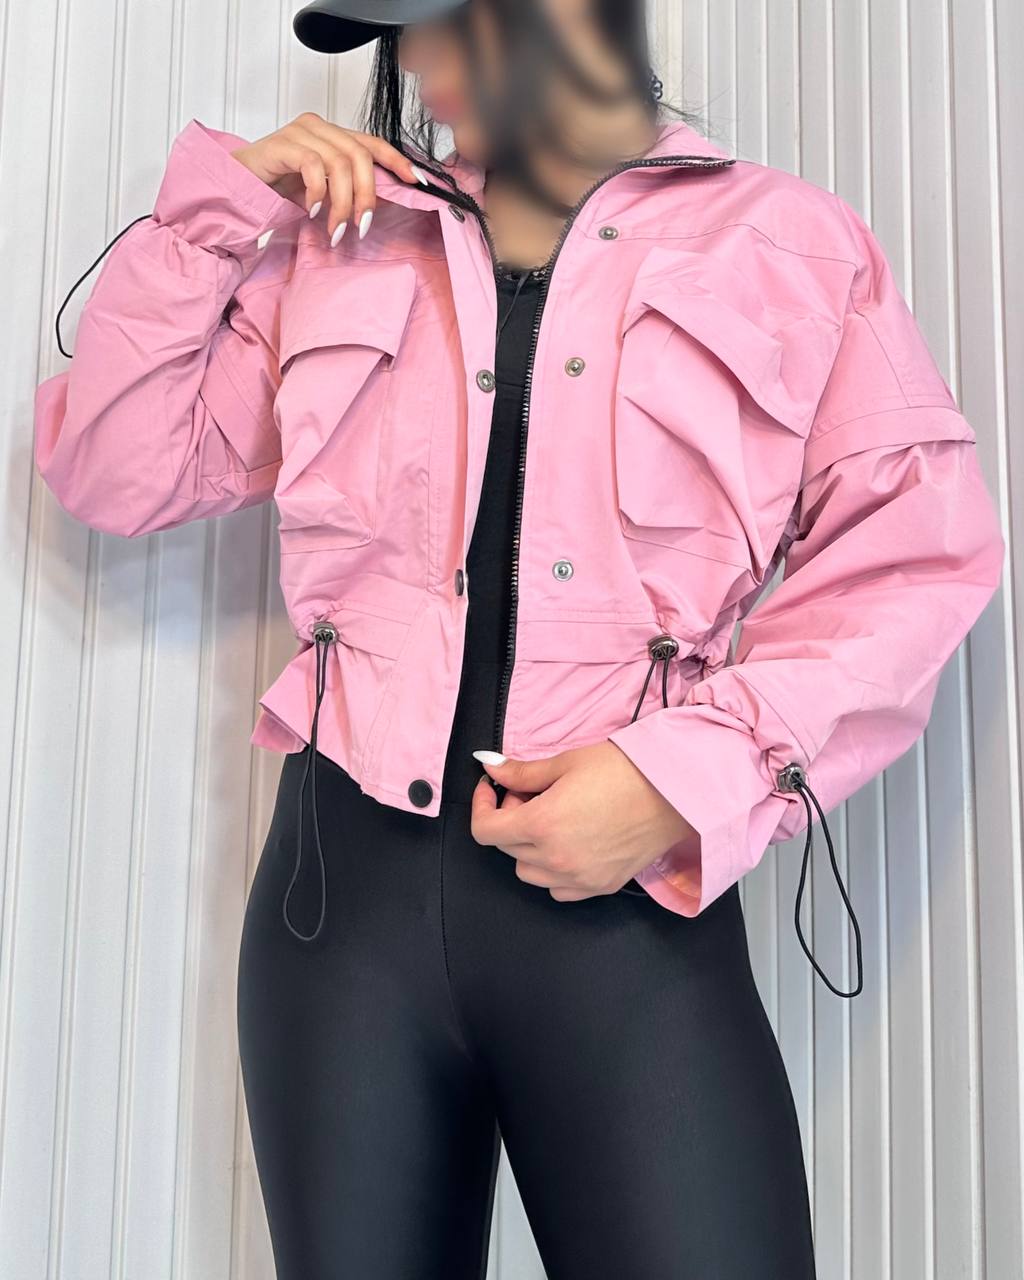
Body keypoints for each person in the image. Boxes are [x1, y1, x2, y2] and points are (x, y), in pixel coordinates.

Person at [32, 1, 1005, 1276]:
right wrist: (218, 209)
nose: (420, 66)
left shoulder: (786, 242)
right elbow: (112, 469)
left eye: (447, 22)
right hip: (339, 922)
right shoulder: (343, 240)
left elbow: (917, 559)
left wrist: (682, 778)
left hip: (624, 925)